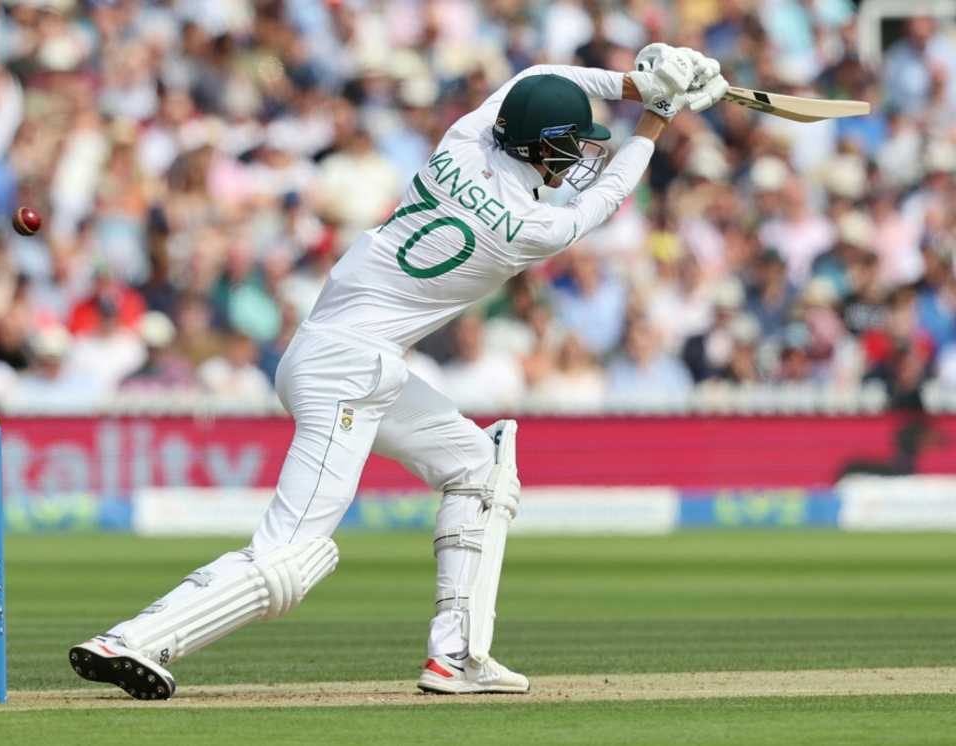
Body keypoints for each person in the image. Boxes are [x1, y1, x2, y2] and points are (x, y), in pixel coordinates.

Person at [69, 44, 729, 700]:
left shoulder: (462, 141)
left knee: (479, 465)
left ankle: (457, 655)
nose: (583, 154)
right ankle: (132, 640)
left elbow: (539, 80)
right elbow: (608, 194)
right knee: (295, 553)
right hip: (348, 370)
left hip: (339, 353)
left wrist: (639, 84)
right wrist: (658, 113)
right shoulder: (531, 227)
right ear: (544, 148)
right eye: (573, 145)